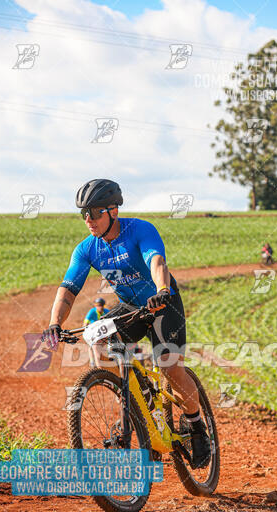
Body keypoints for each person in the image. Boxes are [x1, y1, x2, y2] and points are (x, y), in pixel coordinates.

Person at [42, 178, 210, 469]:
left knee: (169, 365)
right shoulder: (87, 249)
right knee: (96, 339)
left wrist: (161, 290)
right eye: (84, 213)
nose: (88, 219)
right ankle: (133, 401)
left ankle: (196, 425)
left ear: (113, 211)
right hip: (130, 308)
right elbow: (68, 290)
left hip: (162, 301)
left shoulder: (140, 230)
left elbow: (156, 262)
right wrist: (55, 322)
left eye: (95, 212)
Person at [83, 297, 110, 367]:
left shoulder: (107, 311)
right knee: (91, 346)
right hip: (93, 332)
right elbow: (85, 323)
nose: (99, 307)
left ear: (103, 305)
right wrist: (86, 331)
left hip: (103, 332)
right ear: (95, 306)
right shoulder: (92, 312)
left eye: (101, 305)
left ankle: (105, 359)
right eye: (98, 306)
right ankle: (92, 361)